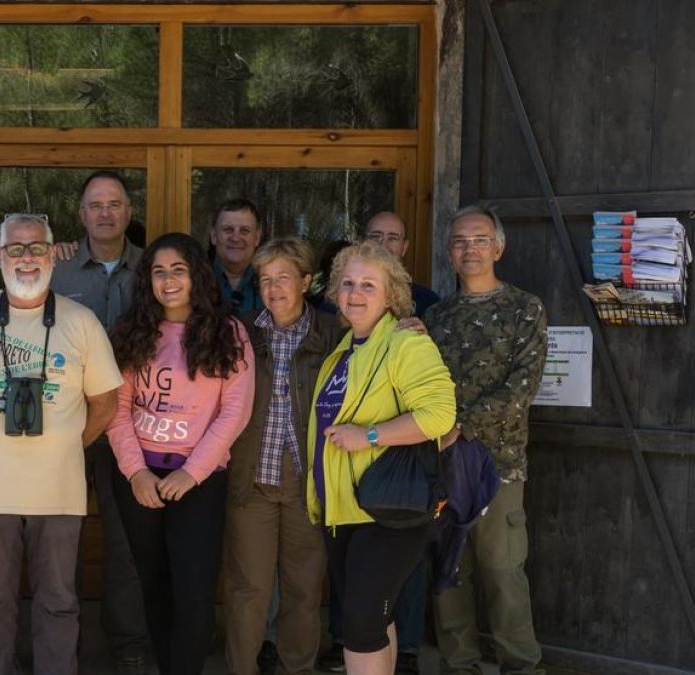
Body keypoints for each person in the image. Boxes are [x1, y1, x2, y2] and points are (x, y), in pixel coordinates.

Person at [0, 213, 122, 675]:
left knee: (58, 602)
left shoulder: (82, 321)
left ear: (52, 254)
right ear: (0, 256)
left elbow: (107, 403)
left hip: (57, 490)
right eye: (15, 248)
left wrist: (67, 447)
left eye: (36, 247)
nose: (27, 257)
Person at [107, 232, 256, 675]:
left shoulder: (228, 332)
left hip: (199, 480)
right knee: (154, 585)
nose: (168, 280)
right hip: (140, 479)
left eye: (178, 270)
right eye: (158, 272)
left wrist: (191, 473)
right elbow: (115, 410)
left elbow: (234, 412)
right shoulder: (133, 331)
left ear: (196, 275)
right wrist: (136, 473)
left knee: (193, 590)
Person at [307, 242, 456, 675]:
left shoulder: (405, 343)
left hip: (386, 510)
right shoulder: (345, 350)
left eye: (368, 285)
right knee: (375, 618)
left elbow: (440, 415)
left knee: (360, 624)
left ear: (391, 295)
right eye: (347, 283)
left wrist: (370, 436)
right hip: (346, 509)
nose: (355, 293)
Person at [423, 206, 548, 675]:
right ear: (449, 251)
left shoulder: (524, 309)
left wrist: (462, 426)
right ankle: (461, 665)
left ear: (497, 247)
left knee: (502, 573)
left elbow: (522, 387)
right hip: (443, 466)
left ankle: (520, 665)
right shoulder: (436, 316)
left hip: (500, 466)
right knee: (450, 573)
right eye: (459, 240)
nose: (469, 248)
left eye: (478, 239)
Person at [223, 238, 338, 675]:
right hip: (252, 478)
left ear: (306, 282)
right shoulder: (241, 331)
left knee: (304, 590)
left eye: (283, 278)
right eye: (265, 279)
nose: (273, 289)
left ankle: (298, 668)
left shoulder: (333, 333)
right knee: (247, 589)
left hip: (308, 482)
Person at [51, 170, 151, 674]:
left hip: (133, 427)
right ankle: (60, 643)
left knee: (125, 539)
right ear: (81, 214)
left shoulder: (153, 269)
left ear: (130, 212)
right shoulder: (58, 272)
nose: (106, 213)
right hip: (67, 426)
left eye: (115, 204)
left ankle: (128, 645)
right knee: (60, 538)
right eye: (95, 205)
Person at [363, 211, 439, 318]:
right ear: (362, 243)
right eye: (375, 236)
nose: (383, 245)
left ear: (404, 247)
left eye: (393, 238)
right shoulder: (345, 295)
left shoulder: (427, 302)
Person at [210, 198, 264, 315]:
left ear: (257, 238)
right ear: (214, 236)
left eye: (245, 230)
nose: (235, 238)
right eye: (228, 230)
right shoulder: (194, 280)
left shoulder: (271, 284)